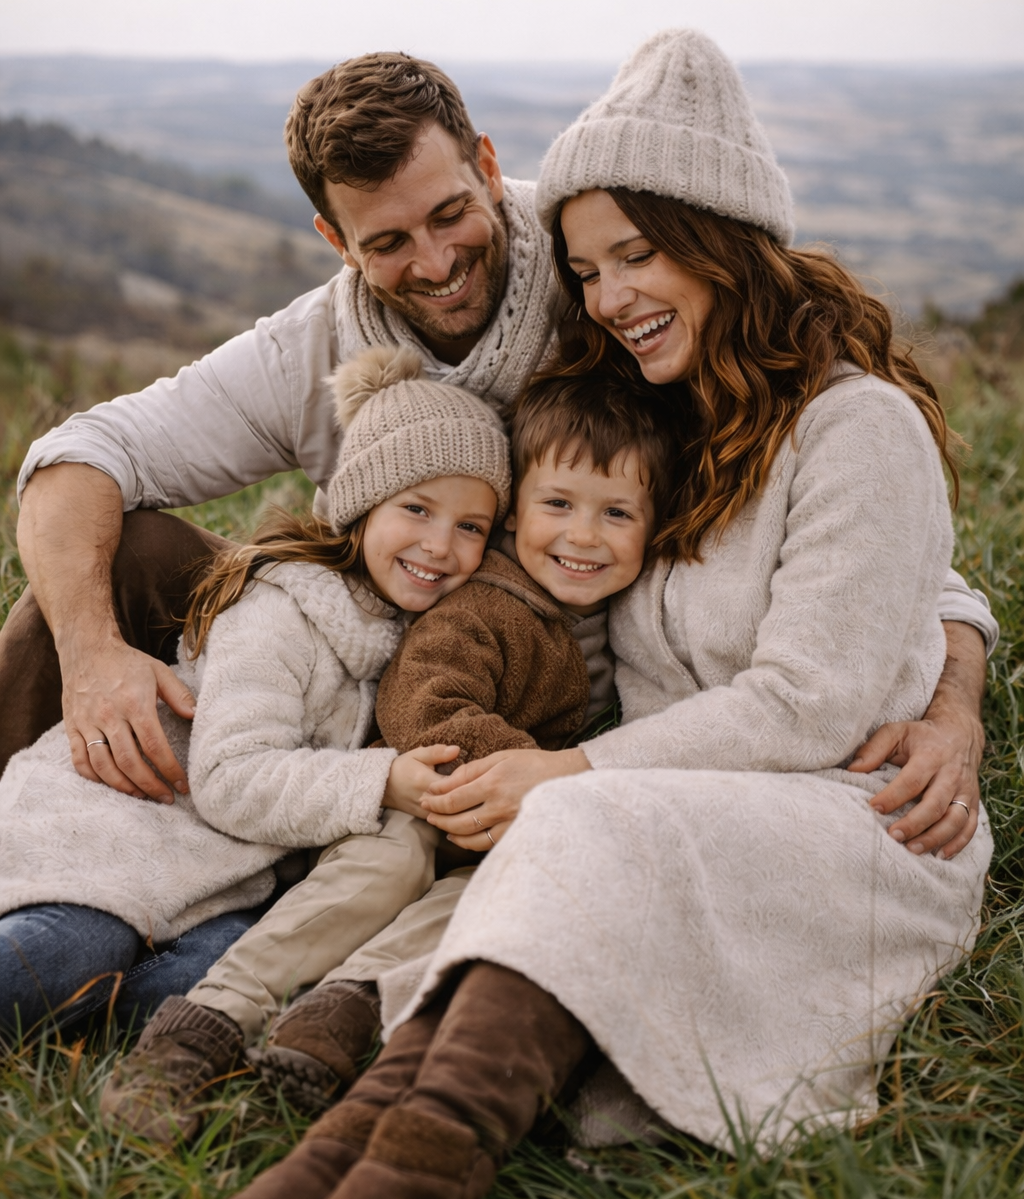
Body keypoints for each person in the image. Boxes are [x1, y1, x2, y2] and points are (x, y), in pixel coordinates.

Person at [148, 29, 995, 1199]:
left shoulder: (857, 426)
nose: (605, 296)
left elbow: (815, 697)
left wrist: (951, 702)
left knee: (579, 818)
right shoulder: (664, 413)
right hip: (680, 806)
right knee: (573, 828)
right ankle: (347, 1169)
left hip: (856, 821)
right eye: (588, 268)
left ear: (722, 238)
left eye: (637, 255)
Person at [4, 53, 995, 888]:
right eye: (388, 242)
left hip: (535, 708)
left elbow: (878, 540)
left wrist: (951, 711)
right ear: (335, 241)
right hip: (355, 666)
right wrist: (93, 659)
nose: (436, 261)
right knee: (114, 558)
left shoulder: (608, 290)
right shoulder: (305, 350)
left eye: (449, 213)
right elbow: (78, 456)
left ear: (486, 163)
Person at [103, 368, 675, 1138]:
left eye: (617, 514)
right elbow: (423, 704)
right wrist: (537, 781)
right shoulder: (484, 604)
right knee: (391, 864)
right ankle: (204, 1026)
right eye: (559, 506)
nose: (583, 535)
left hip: (494, 824)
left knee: (484, 896)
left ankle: (337, 1016)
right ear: (517, 517)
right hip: (413, 797)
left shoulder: (613, 622)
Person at [0, 349, 510, 1065]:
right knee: (76, 949)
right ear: (362, 505)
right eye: (417, 509)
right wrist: (383, 781)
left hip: (223, 878)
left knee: (190, 993)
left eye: (471, 527)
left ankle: (79, 1026)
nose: (439, 545)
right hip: (123, 825)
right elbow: (229, 778)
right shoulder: (283, 610)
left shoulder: (417, 640)